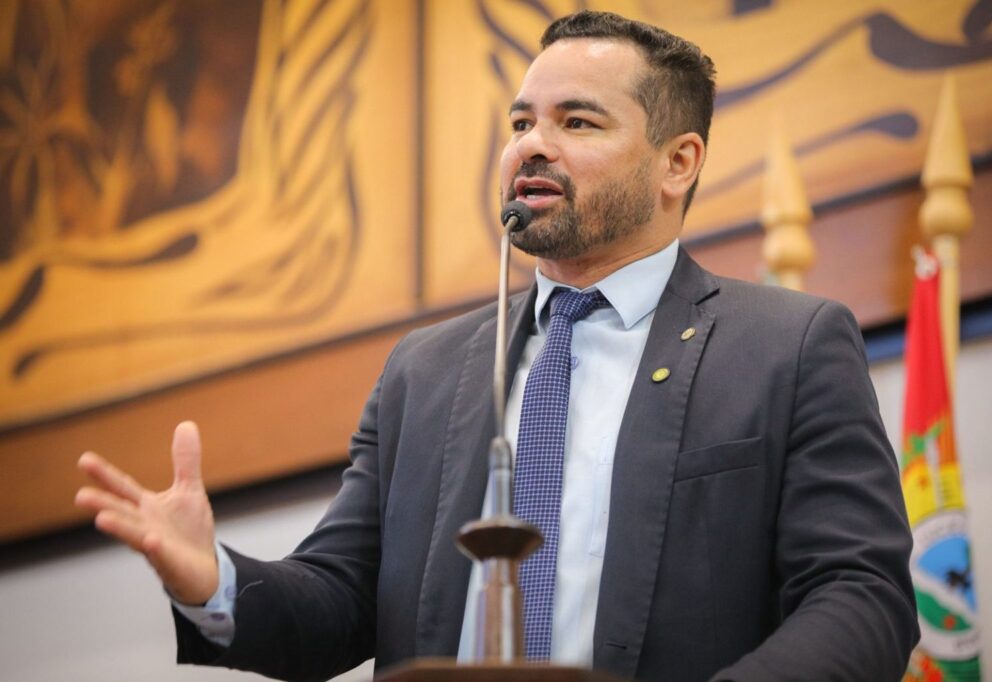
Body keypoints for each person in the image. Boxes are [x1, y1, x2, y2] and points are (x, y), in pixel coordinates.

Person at [75, 10, 919, 682]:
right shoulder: (426, 372)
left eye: (577, 120)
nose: (530, 145)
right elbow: (337, 602)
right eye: (521, 121)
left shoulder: (787, 347)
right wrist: (213, 578)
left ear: (678, 162)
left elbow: (860, 596)